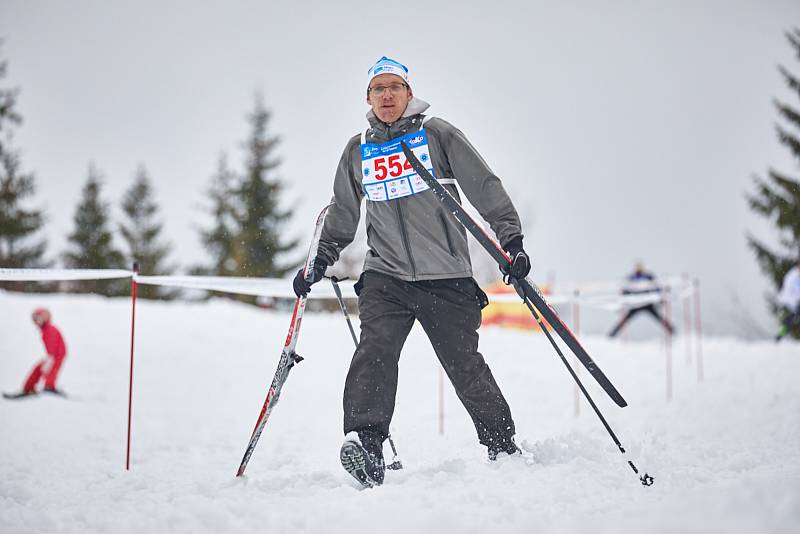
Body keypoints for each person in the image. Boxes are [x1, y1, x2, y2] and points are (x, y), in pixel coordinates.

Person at [292, 56, 531, 487]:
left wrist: (509, 241)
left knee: (464, 365)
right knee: (375, 352)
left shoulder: (436, 134)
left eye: (394, 87)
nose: (386, 96)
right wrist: (320, 258)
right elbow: (344, 212)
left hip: (446, 276)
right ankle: (367, 444)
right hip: (387, 276)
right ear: (367, 97)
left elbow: (484, 186)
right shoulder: (358, 148)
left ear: (409, 92)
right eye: (378, 89)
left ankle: (502, 443)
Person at [3, 308, 68, 399]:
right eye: (34, 319)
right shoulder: (46, 329)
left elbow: (52, 344)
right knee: (38, 369)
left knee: (51, 370)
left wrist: (50, 357)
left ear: (45, 318)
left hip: (56, 355)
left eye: (38, 318)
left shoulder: (50, 329)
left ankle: (49, 386)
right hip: (52, 355)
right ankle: (29, 388)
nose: (36, 321)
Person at [608, 262, 674, 338]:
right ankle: (612, 335)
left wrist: (660, 297)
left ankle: (672, 331)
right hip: (636, 304)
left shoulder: (648, 276)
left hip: (647, 303)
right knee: (625, 319)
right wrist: (624, 300)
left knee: (658, 318)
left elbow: (656, 287)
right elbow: (626, 290)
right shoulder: (631, 278)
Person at [775, 258, 800, 342]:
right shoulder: (793, 277)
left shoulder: (795, 275)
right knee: (787, 323)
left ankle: (778, 337)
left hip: (791, 304)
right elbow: (795, 291)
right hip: (788, 303)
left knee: (788, 323)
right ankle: (778, 338)